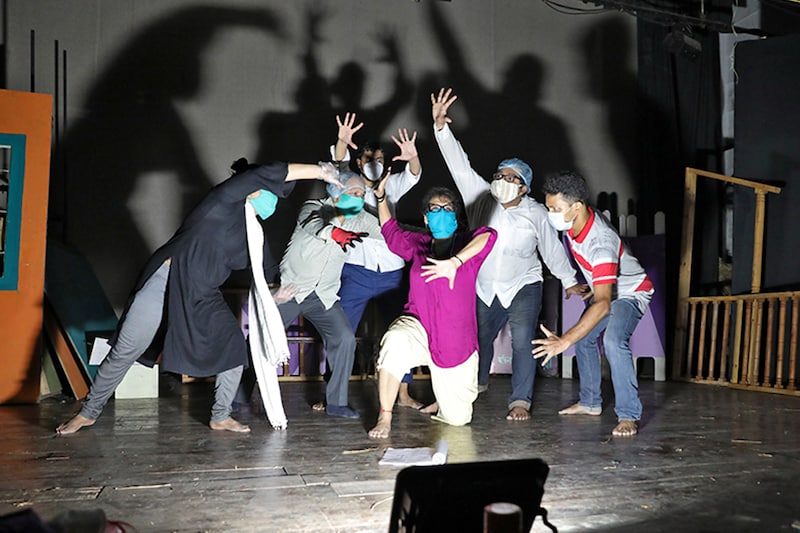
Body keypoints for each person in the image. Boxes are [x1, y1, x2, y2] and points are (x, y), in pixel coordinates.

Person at [56, 161, 341, 435]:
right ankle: (88, 412)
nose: (273, 202)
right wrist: (322, 171)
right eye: (271, 192)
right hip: (165, 284)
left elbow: (267, 274)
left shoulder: (253, 234)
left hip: (203, 294)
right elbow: (268, 172)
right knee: (126, 349)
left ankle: (220, 416)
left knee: (233, 349)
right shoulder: (221, 202)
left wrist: (276, 295)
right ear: (252, 188)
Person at [431, 87, 584, 421]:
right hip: (484, 285)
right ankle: (477, 384)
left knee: (521, 342)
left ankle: (520, 401)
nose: (503, 180)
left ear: (524, 186)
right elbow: (458, 164)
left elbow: (551, 250)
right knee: (480, 339)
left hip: (523, 285)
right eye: (500, 175)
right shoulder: (480, 196)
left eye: (511, 178)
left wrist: (570, 281)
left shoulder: (536, 213)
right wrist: (441, 128)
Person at [368, 183, 497, 439]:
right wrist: (380, 196)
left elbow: (490, 235)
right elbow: (390, 231)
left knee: (458, 420)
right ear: (426, 218)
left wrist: (454, 262)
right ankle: (385, 415)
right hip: (419, 326)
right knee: (395, 340)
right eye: (435, 208)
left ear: (455, 217)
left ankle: (444, 398)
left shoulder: (466, 245)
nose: (441, 212)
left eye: (447, 208)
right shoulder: (418, 245)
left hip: (455, 343)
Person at [533, 171, 654, 437]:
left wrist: (564, 340)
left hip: (631, 293)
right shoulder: (575, 220)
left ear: (576, 207)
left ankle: (629, 415)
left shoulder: (601, 243)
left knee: (612, 341)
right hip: (611, 291)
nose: (550, 213)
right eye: (548, 206)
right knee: (585, 338)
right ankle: (590, 403)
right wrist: (599, 285)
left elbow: (603, 306)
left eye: (556, 208)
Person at [330, 112, 424, 410]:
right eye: (369, 156)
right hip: (356, 271)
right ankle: (332, 392)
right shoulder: (349, 181)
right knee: (342, 332)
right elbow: (336, 167)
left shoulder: (392, 184)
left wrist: (413, 157)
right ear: (359, 161)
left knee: (400, 331)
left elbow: (415, 174)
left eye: (380, 157)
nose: (375, 161)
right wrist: (342, 143)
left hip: (393, 273)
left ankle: (404, 393)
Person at [277, 171, 383, 419]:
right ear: (336, 192)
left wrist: (426, 234)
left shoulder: (360, 219)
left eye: (361, 194)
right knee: (262, 339)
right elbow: (313, 224)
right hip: (290, 290)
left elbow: (389, 232)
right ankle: (237, 397)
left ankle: (336, 403)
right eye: (353, 193)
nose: (358, 198)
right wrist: (335, 233)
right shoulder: (314, 207)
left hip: (323, 295)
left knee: (345, 338)